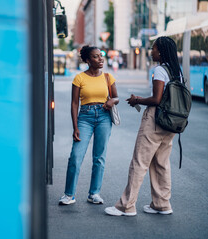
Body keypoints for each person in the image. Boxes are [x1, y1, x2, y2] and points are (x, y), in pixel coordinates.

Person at [105, 36, 183, 216]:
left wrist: (136, 100)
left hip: (156, 119)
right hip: (171, 123)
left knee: (139, 162)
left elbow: (156, 99)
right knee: (161, 163)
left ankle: (126, 206)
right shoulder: (176, 70)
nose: (152, 51)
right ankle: (162, 204)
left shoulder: (160, 70)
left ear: (161, 51)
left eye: (154, 48)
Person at [59, 45, 119, 205]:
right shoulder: (79, 78)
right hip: (85, 117)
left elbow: (116, 97)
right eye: (96, 56)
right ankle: (69, 194)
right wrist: (75, 127)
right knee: (76, 156)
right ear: (87, 60)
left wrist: (112, 100)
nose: (100, 59)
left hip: (104, 117)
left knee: (99, 157)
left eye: (101, 55)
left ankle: (94, 193)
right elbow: (74, 104)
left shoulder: (108, 77)